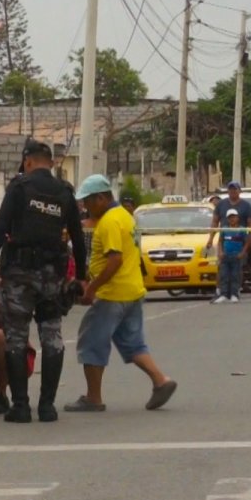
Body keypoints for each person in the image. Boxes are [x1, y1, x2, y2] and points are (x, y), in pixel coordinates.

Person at [0, 139, 86, 423]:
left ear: (28, 161)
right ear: (52, 163)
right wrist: (81, 277)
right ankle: (47, 407)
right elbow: (78, 239)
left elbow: (1, 226)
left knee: (16, 337)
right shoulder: (64, 191)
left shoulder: (19, 187)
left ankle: (20, 406)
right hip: (53, 276)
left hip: (18, 274)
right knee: (51, 336)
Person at [66, 174, 176, 413]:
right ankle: (161, 380)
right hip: (133, 290)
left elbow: (114, 259)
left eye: (88, 201)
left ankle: (93, 397)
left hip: (112, 294)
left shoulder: (110, 221)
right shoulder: (125, 216)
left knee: (91, 343)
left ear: (102, 198)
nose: (85, 206)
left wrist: (92, 288)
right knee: (133, 344)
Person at [213, 209, 248, 304]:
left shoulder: (242, 229)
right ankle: (223, 294)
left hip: (236, 256)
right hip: (225, 256)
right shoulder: (224, 229)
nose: (232, 219)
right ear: (227, 219)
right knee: (224, 275)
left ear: (238, 218)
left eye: (234, 217)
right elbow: (220, 241)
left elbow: (246, 243)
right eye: (230, 217)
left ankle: (234, 294)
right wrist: (220, 252)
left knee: (235, 275)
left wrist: (242, 253)